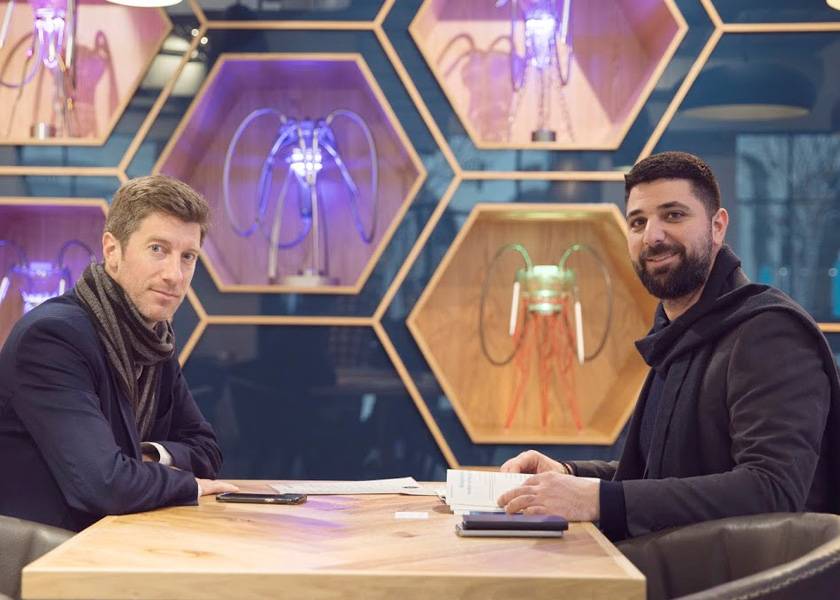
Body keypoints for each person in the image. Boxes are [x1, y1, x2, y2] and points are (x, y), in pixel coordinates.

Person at [497, 151, 840, 540]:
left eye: (673, 215)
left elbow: (772, 490)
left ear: (717, 226)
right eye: (638, 222)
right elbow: (662, 477)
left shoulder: (770, 332)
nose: (652, 236)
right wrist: (568, 475)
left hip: (740, 574)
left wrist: (597, 499)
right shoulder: (680, 335)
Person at [0, 175, 238, 532]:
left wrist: (144, 457)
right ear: (112, 251)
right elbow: (106, 485)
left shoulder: (154, 339)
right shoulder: (52, 338)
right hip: (51, 550)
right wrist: (187, 484)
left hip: (118, 536)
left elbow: (207, 450)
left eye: (187, 256)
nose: (174, 275)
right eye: (157, 249)